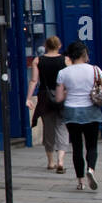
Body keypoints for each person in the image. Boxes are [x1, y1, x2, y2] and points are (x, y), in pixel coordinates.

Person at [54, 41, 102, 191]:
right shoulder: (95, 70)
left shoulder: (63, 73)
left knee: (77, 147)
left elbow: (59, 98)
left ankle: (80, 182)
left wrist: (69, 91)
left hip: (71, 112)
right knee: (92, 145)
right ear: (83, 54)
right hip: (91, 111)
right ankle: (91, 169)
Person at [26, 36, 68, 173]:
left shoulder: (38, 60)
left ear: (45, 45)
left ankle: (51, 162)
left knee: (48, 129)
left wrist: (29, 98)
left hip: (45, 97)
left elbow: (33, 80)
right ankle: (61, 160)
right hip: (62, 96)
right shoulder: (66, 60)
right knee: (61, 128)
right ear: (59, 45)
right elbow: (70, 80)